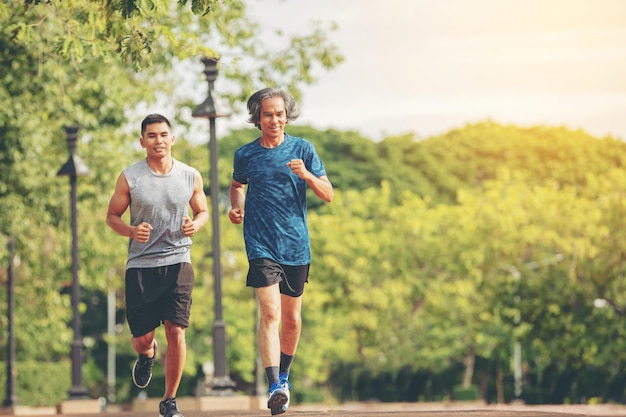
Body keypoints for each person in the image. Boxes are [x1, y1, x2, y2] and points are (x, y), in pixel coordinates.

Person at [228, 88, 334, 415]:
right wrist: (235, 207)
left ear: (287, 115)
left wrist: (306, 175)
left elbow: (328, 194)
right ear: (257, 119)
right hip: (260, 243)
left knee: (292, 319)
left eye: (279, 114)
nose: (274, 120)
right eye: (267, 115)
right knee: (270, 312)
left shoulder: (303, 149)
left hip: (296, 244)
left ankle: (284, 378)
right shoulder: (245, 154)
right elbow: (236, 185)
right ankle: (274, 384)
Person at [106, 113, 209, 417]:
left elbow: (202, 211)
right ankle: (147, 354)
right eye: (151, 136)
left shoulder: (190, 175)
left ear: (172, 138)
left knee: (176, 330)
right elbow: (112, 216)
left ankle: (169, 400)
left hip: (179, 260)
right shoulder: (130, 177)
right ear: (142, 141)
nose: (158, 140)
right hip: (141, 264)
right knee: (142, 339)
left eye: (163, 134)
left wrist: (196, 225)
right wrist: (130, 231)